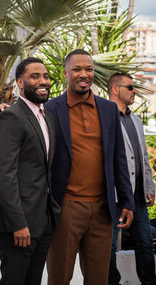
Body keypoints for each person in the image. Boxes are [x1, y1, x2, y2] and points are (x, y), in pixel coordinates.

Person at [45, 49, 134, 285]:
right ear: (65, 73)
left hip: (103, 210)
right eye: (77, 69)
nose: (84, 74)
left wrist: (126, 201)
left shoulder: (108, 109)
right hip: (66, 208)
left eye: (89, 69)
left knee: (98, 279)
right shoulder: (50, 109)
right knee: (59, 277)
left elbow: (119, 159)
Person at [0, 57, 60, 285]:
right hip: (19, 224)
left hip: (43, 220)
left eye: (46, 76)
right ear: (20, 82)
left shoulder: (47, 117)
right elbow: (5, 175)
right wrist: (18, 223)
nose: (43, 81)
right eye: (35, 76)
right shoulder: (12, 116)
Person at [106, 73, 156, 285]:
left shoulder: (135, 119)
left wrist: (150, 186)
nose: (134, 91)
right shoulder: (105, 117)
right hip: (116, 195)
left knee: (145, 243)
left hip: (138, 196)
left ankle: (149, 281)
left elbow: (143, 156)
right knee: (109, 245)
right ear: (116, 89)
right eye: (130, 87)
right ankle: (111, 282)